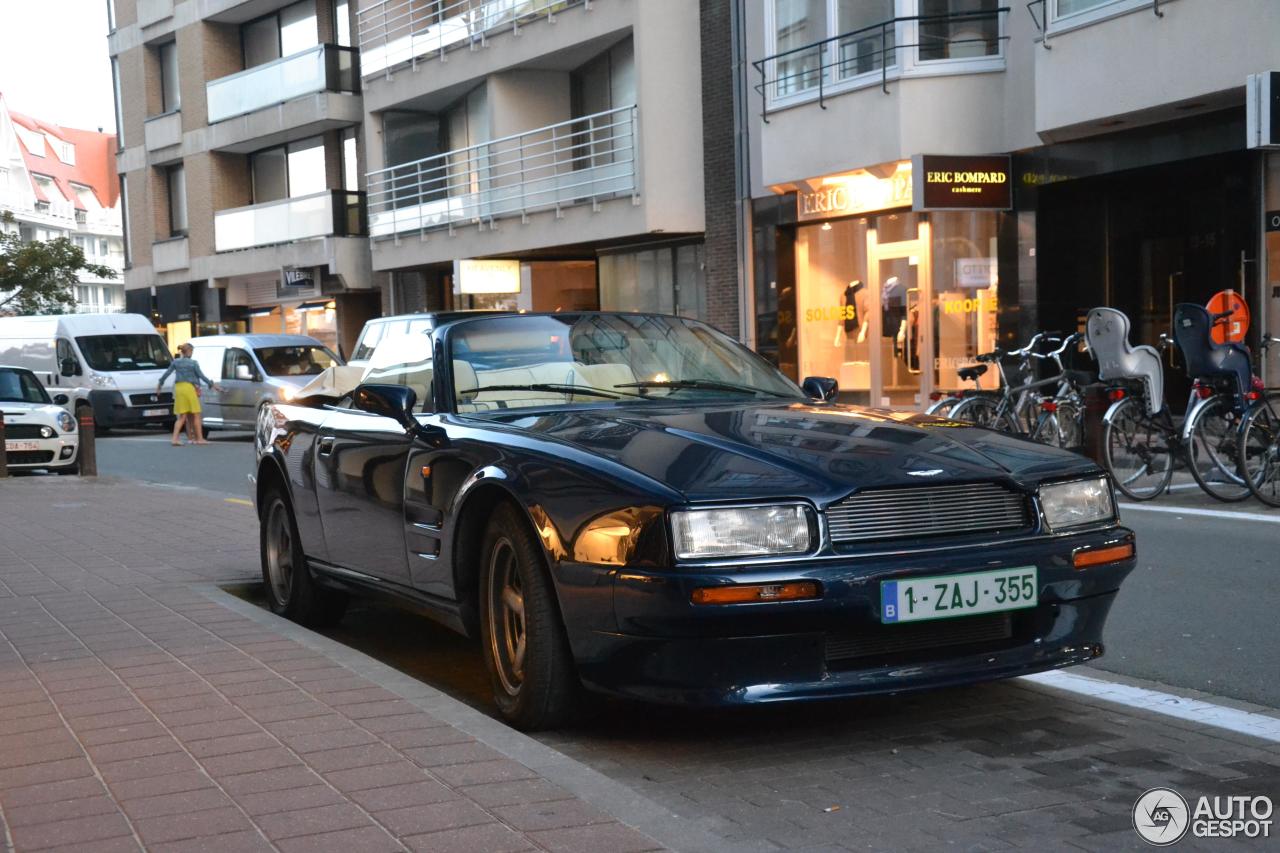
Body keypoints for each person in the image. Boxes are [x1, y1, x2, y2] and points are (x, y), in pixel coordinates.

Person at [157, 343, 220, 446]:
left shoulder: (176, 362)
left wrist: (160, 384)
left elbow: (167, 373)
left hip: (179, 388)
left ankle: (175, 439)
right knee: (196, 414)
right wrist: (212, 384)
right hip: (189, 388)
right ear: (189, 351)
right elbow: (201, 376)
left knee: (182, 416)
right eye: (192, 351)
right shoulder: (193, 363)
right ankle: (199, 438)